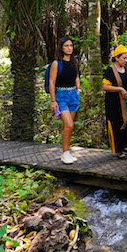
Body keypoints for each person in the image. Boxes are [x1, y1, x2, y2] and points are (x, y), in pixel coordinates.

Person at [48, 36, 81, 164]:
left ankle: (66, 152)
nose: (69, 48)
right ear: (61, 48)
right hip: (60, 97)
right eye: (66, 45)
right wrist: (53, 100)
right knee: (69, 125)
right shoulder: (57, 63)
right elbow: (51, 82)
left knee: (68, 127)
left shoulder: (74, 62)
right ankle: (65, 153)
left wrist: (78, 90)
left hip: (73, 96)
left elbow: (76, 76)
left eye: (71, 45)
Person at [102, 45, 127, 159]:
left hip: (125, 101)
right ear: (116, 58)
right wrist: (120, 89)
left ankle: (125, 145)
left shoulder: (126, 69)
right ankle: (118, 150)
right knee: (116, 124)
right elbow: (105, 86)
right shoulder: (110, 70)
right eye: (123, 58)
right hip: (114, 102)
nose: (125, 61)